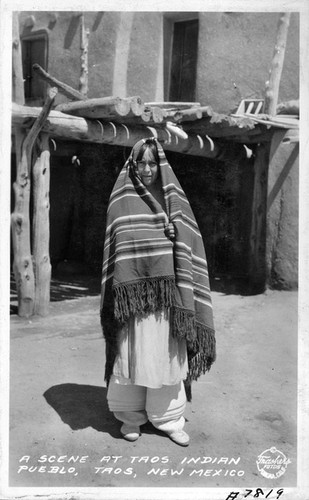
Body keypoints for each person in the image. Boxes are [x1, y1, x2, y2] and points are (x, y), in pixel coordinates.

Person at [100, 137, 215, 446]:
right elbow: (119, 242)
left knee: (165, 354)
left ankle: (169, 420)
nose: (147, 169)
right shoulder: (120, 202)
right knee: (133, 353)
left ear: (160, 166)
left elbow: (191, 240)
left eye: (152, 163)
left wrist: (177, 233)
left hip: (168, 301)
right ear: (133, 165)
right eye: (142, 163)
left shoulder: (174, 202)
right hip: (132, 304)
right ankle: (131, 417)